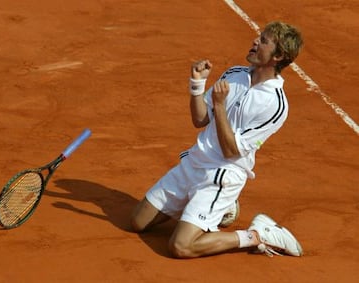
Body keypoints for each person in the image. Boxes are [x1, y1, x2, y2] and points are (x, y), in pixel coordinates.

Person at [130, 21, 304, 258]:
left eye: (263, 41)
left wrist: (220, 107)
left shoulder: (275, 104)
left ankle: (257, 235)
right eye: (259, 37)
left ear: (279, 56)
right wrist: (197, 84)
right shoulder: (235, 74)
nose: (255, 41)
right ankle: (220, 209)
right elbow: (200, 119)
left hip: (223, 173)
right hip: (195, 162)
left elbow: (232, 151)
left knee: (181, 246)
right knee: (138, 222)